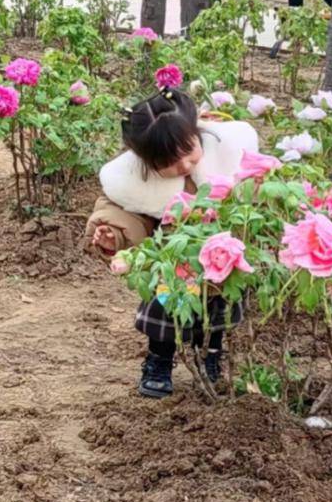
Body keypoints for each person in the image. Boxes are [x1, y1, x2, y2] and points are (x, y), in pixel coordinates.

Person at [86, 89, 259, 398]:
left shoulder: (228, 155)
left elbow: (255, 203)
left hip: (223, 262)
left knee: (217, 317)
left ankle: (210, 360)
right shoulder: (134, 183)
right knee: (165, 317)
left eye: (188, 150)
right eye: (168, 161)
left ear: (196, 130)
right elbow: (124, 213)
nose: (183, 164)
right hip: (174, 266)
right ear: (146, 162)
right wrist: (114, 233)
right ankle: (159, 362)